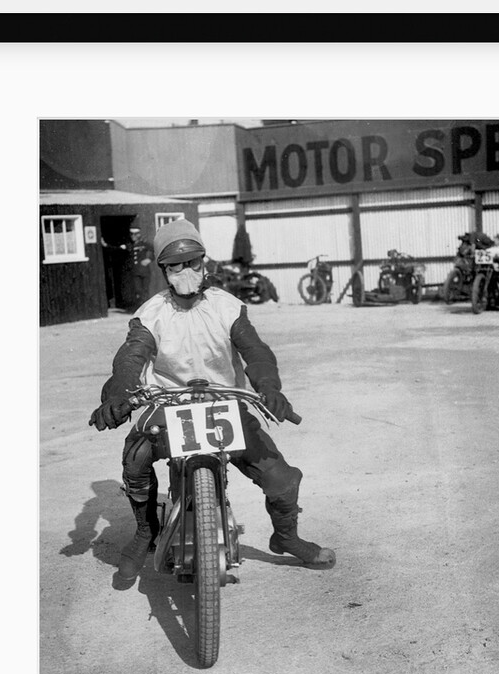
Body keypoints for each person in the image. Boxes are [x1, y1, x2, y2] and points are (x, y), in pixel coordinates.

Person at [88, 219, 335, 586]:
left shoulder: (227, 306)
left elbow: (256, 351)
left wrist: (269, 386)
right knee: (135, 458)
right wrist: (118, 394)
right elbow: (130, 359)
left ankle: (285, 536)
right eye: (176, 265)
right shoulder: (150, 314)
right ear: (164, 270)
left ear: (205, 263)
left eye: (193, 262)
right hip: (169, 405)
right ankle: (145, 530)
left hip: (225, 404)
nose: (186, 271)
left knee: (282, 481)